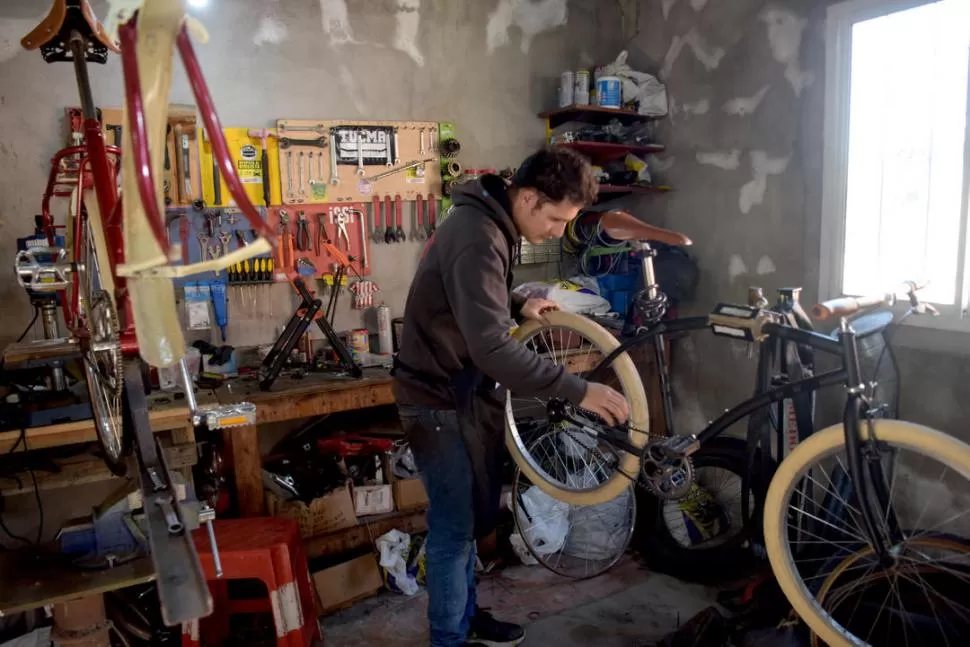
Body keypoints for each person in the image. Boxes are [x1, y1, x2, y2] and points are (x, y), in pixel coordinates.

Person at [393, 147, 631, 647]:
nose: (556, 232)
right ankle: (448, 638)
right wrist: (578, 389)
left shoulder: (487, 221)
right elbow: (494, 350)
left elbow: (473, 299)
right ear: (527, 197)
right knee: (454, 528)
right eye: (555, 219)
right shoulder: (480, 235)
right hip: (437, 398)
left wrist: (519, 301)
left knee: (471, 517)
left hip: (456, 390)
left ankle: (464, 618)